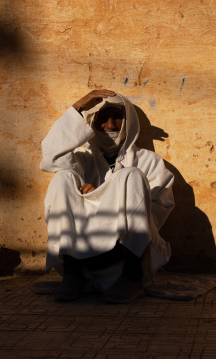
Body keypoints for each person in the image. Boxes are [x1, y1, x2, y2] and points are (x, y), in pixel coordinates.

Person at [40, 89, 174, 303]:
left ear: (128, 121)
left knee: (130, 175)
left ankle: (133, 278)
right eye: (103, 118)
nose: (110, 126)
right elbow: (50, 157)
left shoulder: (149, 161)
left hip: (125, 256)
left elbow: (154, 215)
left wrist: (104, 196)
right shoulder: (82, 159)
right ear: (92, 122)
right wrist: (77, 108)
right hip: (82, 250)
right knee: (62, 177)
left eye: (117, 117)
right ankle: (73, 273)